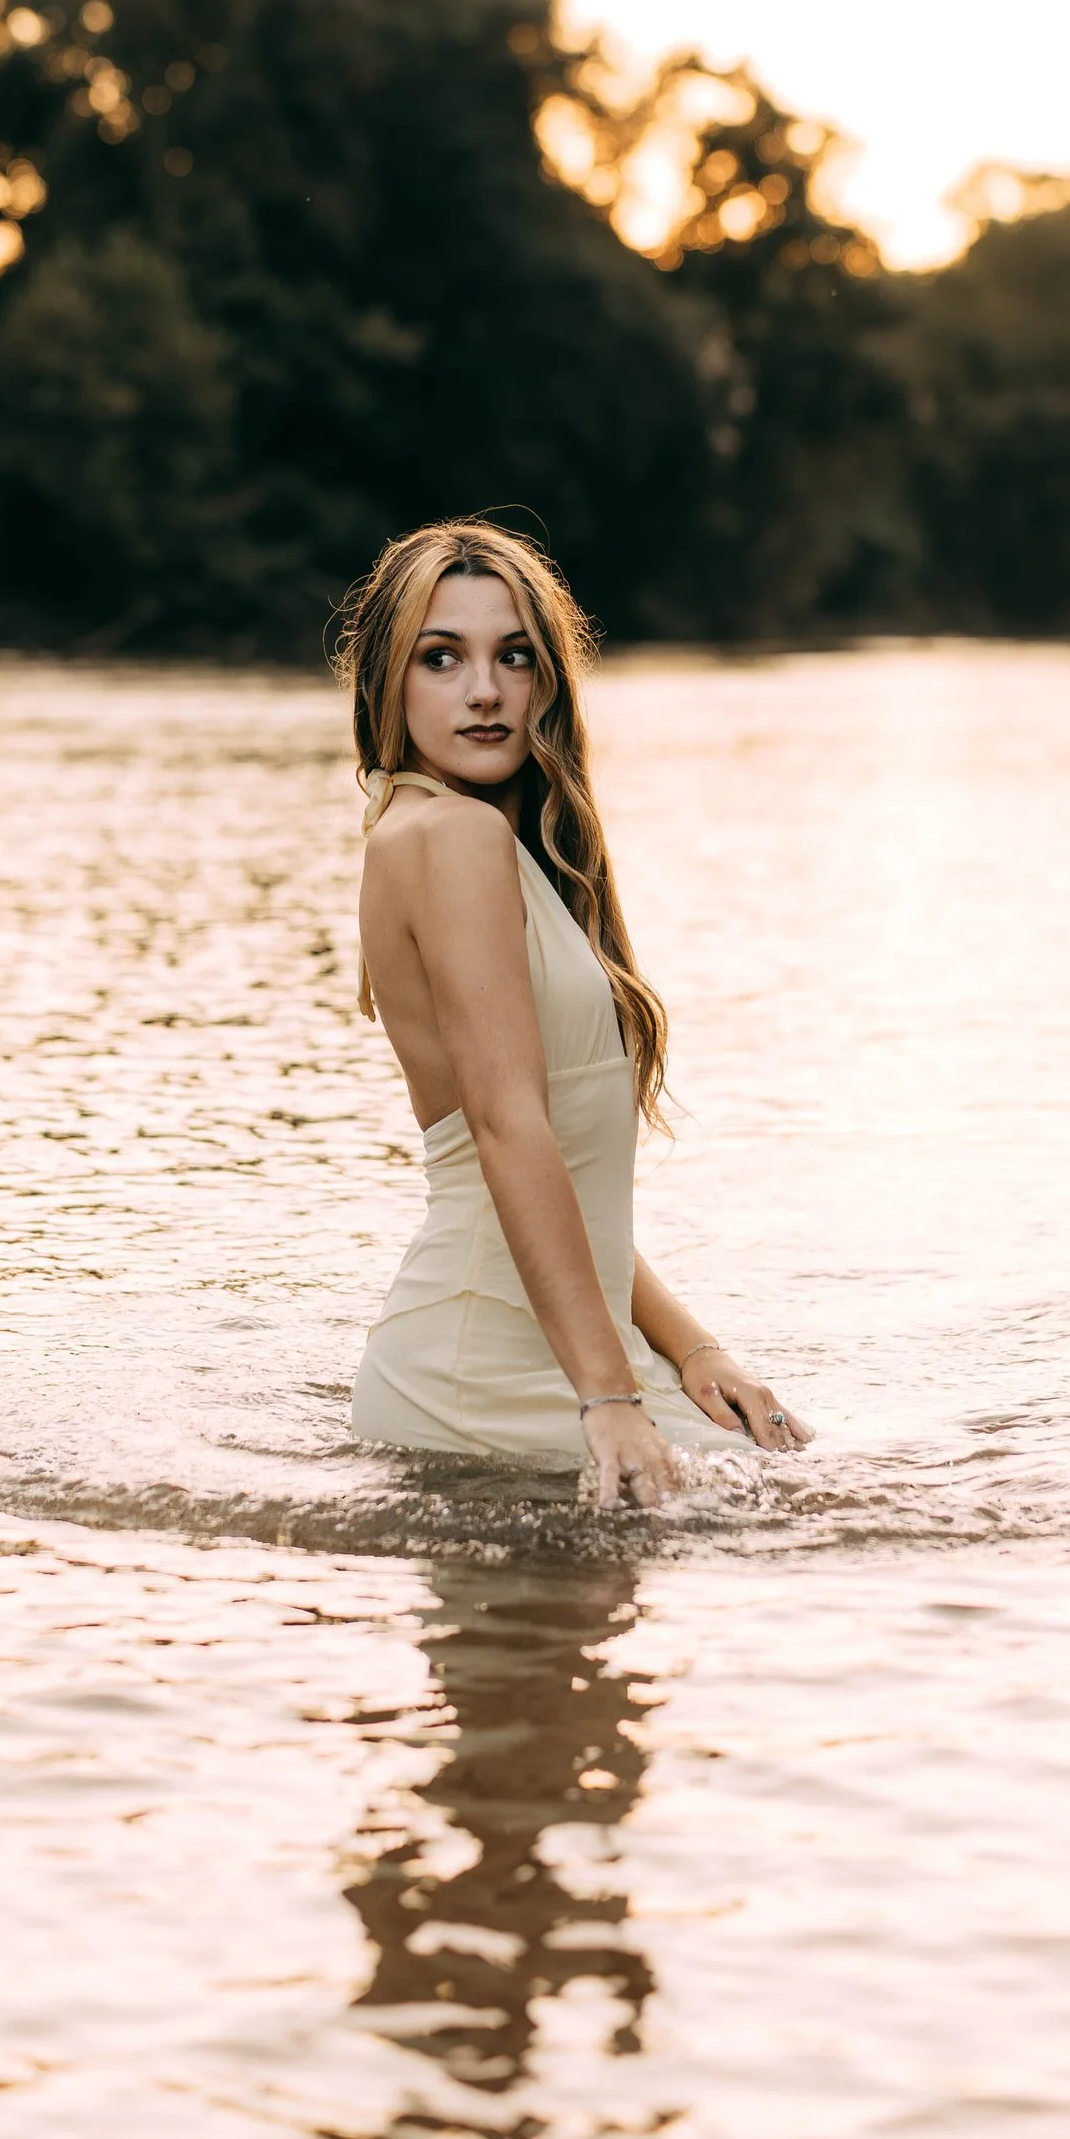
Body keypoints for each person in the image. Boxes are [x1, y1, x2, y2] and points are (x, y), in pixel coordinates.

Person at [339, 517, 810, 1509]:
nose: (484, 690)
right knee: (819, 1513)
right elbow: (507, 1132)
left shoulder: (454, 840)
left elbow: (562, 1181)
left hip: (538, 1352)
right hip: (490, 1378)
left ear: (547, 679)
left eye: (513, 656)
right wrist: (609, 1396)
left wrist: (691, 1349)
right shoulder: (453, 839)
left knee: (796, 1488)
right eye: (440, 657)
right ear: (387, 680)